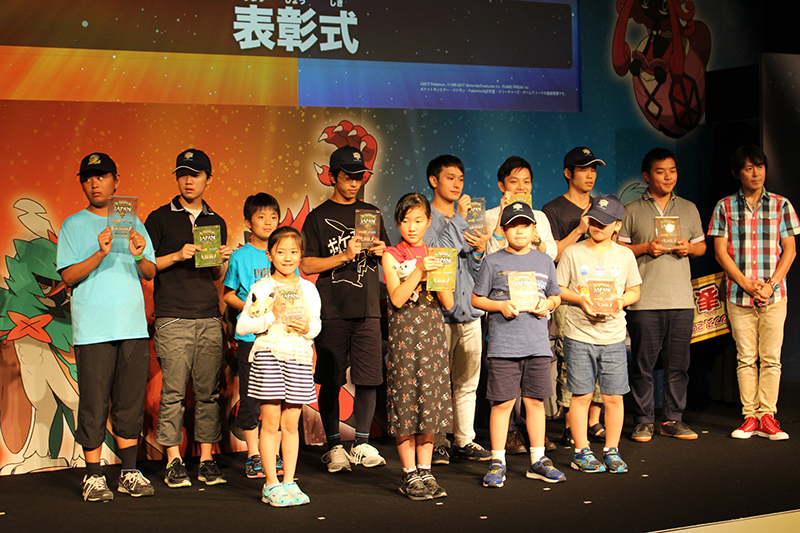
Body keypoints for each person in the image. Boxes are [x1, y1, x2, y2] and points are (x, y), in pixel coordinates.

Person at [57, 152, 157, 501]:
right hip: (94, 329)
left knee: (129, 402)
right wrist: (100, 253)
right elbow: (68, 276)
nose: (94, 183)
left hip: (132, 327)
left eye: (101, 176)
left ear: (116, 181)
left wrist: (139, 252)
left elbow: (149, 272)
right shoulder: (73, 225)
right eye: (87, 178)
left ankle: (129, 471)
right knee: (94, 402)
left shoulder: (132, 221)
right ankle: (94, 475)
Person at [145, 148, 232, 487]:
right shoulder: (158, 217)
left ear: (208, 178)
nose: (188, 180)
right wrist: (177, 255)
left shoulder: (216, 221)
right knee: (174, 392)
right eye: (183, 174)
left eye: (195, 174)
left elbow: (215, 275)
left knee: (209, 393)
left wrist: (222, 259)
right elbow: (146, 267)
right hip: (172, 316)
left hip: (208, 316)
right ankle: (173, 460)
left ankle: (207, 459)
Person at [301, 145, 390, 472]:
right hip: (333, 309)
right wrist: (344, 255)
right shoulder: (317, 217)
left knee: (369, 378)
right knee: (331, 379)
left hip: (367, 309)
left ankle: (362, 443)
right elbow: (306, 263)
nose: (354, 183)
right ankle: (335, 446)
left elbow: (386, 255)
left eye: (359, 177)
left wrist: (381, 251)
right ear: (332, 177)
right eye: (348, 177)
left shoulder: (371, 213)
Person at [708, 145, 799, 440]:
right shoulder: (724, 207)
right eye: (749, 168)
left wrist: (771, 284)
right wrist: (745, 283)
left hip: (775, 295)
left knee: (771, 358)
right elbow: (720, 252)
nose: (756, 173)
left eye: (759, 166)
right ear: (737, 173)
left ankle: (768, 417)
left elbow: (790, 250)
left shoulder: (781, 205)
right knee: (746, 358)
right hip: (739, 295)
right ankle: (750, 416)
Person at [473, 202, 565, 488]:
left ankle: (538, 460)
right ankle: (497, 461)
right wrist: (500, 306)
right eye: (513, 226)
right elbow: (477, 299)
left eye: (525, 225)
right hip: (504, 346)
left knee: (535, 402)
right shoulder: (492, 261)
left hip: (537, 345)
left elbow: (556, 296)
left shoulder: (544, 261)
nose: (519, 231)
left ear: (534, 229)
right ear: (503, 230)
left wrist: (547, 304)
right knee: (502, 404)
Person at [619, 148, 706, 442]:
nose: (668, 177)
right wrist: (646, 248)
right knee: (643, 365)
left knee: (678, 366)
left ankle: (672, 419)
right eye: (660, 171)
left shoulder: (689, 208)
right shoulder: (631, 209)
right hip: (644, 301)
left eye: (672, 171)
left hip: (681, 300)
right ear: (647, 175)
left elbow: (701, 246)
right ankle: (644, 420)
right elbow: (619, 249)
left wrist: (689, 248)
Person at [236, 227, 321, 507]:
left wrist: (307, 328)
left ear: (301, 255)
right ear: (270, 255)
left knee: (291, 424)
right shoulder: (262, 288)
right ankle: (271, 483)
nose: (287, 257)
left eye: (293, 252)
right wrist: (271, 316)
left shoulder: (308, 288)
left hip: (298, 356)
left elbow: (317, 324)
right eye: (281, 252)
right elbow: (243, 325)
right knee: (271, 422)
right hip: (269, 355)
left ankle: (289, 482)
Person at [557, 194, 641, 474]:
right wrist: (582, 300)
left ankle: (611, 449)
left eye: (604, 223)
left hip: (613, 336)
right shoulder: (573, 252)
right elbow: (559, 288)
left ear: (617, 225)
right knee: (580, 395)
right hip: (579, 334)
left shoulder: (625, 255)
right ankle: (581, 450)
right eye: (593, 221)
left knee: (614, 396)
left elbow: (634, 290)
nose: (597, 227)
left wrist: (620, 302)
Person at [382, 193, 455, 500]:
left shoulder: (438, 255)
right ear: (398, 223)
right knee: (406, 404)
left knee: (430, 406)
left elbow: (448, 303)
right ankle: (409, 473)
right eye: (405, 221)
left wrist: (439, 274)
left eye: (418, 220)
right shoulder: (391, 255)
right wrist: (420, 270)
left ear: (428, 221)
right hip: (404, 340)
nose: (412, 227)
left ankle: (426, 471)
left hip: (433, 339)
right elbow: (397, 298)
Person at [484, 155, 557, 453]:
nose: (521, 187)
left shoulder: (539, 217)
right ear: (502, 185)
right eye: (514, 181)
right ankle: (507, 439)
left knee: (535, 393)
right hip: (504, 320)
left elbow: (550, 254)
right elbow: (488, 255)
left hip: (534, 320)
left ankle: (535, 443)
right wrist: (500, 222)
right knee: (504, 391)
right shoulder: (490, 216)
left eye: (526, 182)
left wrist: (534, 238)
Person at [424, 155, 492, 464]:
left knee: (467, 383)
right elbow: (439, 254)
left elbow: (474, 270)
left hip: (470, 313)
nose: (457, 184)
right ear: (434, 180)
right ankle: (438, 441)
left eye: (460, 179)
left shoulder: (469, 219)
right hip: (439, 315)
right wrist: (459, 218)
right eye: (450, 178)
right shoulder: (424, 217)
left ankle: (464, 439)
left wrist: (478, 252)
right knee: (438, 382)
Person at [542, 147, 606, 447]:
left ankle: (593, 420)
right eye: (583, 169)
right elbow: (553, 255)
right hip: (568, 295)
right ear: (569, 173)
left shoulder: (602, 206)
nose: (590, 175)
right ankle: (571, 423)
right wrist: (580, 229)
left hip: (599, 292)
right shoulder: (553, 209)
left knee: (600, 356)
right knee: (571, 359)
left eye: (593, 169)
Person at [222, 193, 281, 479]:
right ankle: (254, 455)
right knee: (251, 398)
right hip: (250, 341)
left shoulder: (284, 251)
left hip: (280, 340)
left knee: (277, 399)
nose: (268, 222)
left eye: (273, 217)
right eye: (261, 217)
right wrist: (252, 309)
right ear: (248, 222)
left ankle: (274, 454)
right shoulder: (240, 256)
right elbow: (228, 295)